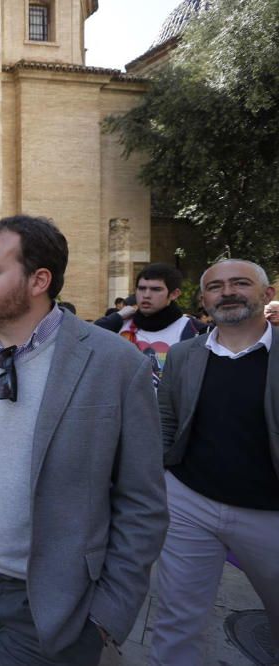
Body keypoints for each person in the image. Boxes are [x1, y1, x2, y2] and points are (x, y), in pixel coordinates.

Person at [0, 215, 168, 664]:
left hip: (54, 597)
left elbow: (142, 503)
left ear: (38, 280)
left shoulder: (116, 365)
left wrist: (109, 611)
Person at [150, 259, 279, 665]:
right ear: (204, 299)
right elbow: (166, 420)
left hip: (268, 513)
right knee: (176, 618)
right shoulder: (185, 355)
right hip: (191, 504)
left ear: (267, 294)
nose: (228, 292)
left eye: (240, 283)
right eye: (216, 286)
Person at [94, 263, 202, 384]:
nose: (146, 295)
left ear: (174, 294)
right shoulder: (120, 325)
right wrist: (116, 317)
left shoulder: (195, 330)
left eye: (156, 289)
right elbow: (87, 339)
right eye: (141, 288)